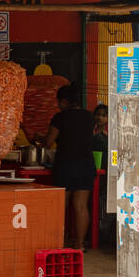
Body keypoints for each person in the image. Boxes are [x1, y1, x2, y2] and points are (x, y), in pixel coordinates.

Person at [45, 85, 95, 250]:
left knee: (62, 206)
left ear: (65, 101)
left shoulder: (60, 117)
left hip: (65, 164)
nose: (58, 106)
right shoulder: (89, 117)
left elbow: (48, 142)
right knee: (81, 206)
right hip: (86, 164)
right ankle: (79, 245)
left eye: (59, 102)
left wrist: (39, 137)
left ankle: (59, 243)